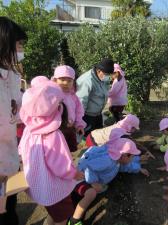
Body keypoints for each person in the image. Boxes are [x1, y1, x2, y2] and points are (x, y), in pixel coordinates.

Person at [18, 80, 84, 225]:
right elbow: (61, 166)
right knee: (62, 218)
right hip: (53, 187)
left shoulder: (29, 128)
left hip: (38, 183)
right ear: (57, 109)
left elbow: (21, 149)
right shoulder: (52, 135)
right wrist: (74, 174)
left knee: (54, 214)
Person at [71, 136, 146, 225]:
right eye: (132, 157)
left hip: (89, 177)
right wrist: (93, 182)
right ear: (123, 155)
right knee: (91, 194)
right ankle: (74, 221)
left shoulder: (117, 159)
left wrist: (139, 168)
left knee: (97, 190)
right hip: (81, 177)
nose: (132, 159)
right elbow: (88, 166)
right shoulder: (107, 161)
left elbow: (127, 166)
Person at [0, 16, 27, 225]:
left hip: (9, 157)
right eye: (19, 44)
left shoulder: (12, 75)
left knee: (10, 208)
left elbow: (16, 113)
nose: (21, 49)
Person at [76, 58, 114, 135]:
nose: (108, 77)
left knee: (99, 136)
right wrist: (80, 121)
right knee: (89, 138)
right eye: (107, 74)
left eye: (109, 75)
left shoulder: (102, 78)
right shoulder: (87, 81)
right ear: (99, 71)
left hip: (98, 114)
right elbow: (81, 102)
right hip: (87, 116)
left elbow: (105, 91)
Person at [52, 65, 86, 152]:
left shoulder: (73, 96)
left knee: (71, 150)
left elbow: (79, 112)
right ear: (55, 80)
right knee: (59, 152)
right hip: (57, 130)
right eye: (62, 80)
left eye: (69, 80)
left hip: (71, 128)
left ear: (73, 82)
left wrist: (79, 125)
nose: (66, 83)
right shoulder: (53, 95)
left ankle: (69, 163)